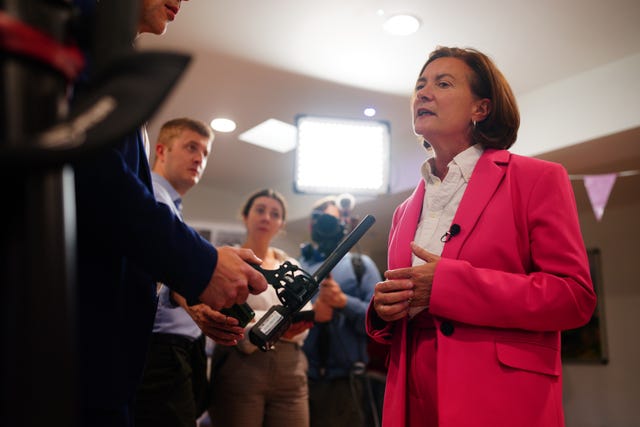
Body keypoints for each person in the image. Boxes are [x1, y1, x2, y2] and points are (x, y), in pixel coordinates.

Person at [366, 46, 598, 427]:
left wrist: (450, 285)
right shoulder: (404, 210)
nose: (423, 93)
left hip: (498, 398)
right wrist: (383, 309)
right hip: (410, 395)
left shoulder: (537, 178)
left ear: (481, 109)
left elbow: (574, 297)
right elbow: (406, 302)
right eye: (420, 85)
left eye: (442, 83)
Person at [72, 2, 268, 426]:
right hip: (75, 350)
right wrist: (202, 264)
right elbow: (91, 176)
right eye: (191, 147)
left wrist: (198, 286)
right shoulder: (77, 37)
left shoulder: (113, 62)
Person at [134, 118, 240, 427]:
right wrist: (193, 300)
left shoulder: (170, 204)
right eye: (191, 147)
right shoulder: (152, 197)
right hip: (160, 353)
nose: (199, 159)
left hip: (179, 352)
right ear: (162, 150)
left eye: (205, 153)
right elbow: (154, 267)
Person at [208, 188, 314, 427]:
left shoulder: (291, 264)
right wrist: (279, 322)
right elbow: (223, 309)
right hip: (241, 366)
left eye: (275, 213)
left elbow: (305, 314)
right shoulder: (228, 261)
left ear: (281, 224)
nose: (267, 217)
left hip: (290, 368)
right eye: (260, 210)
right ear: (245, 216)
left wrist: (268, 322)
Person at [299, 196, 382, 427]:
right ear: (311, 225)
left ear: (345, 224)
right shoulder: (297, 267)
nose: (328, 225)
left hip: (347, 381)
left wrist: (344, 302)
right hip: (300, 378)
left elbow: (379, 321)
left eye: (334, 220)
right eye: (323, 219)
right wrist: (311, 315)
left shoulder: (360, 265)